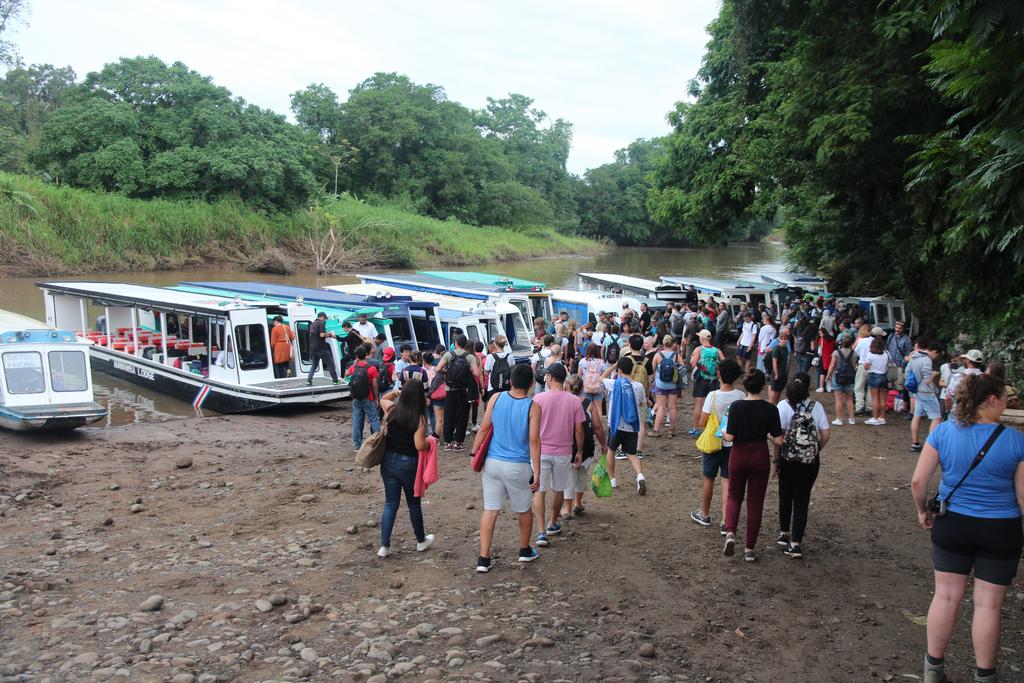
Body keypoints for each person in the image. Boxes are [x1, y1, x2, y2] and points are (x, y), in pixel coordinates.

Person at [910, 373, 1024, 683]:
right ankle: (985, 676)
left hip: (953, 524)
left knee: (945, 597)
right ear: (991, 400)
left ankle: (933, 669)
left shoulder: (944, 432)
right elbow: (1023, 496)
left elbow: (919, 481)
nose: (1007, 404)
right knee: (988, 604)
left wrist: (923, 511)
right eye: (1004, 398)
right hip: (1001, 529)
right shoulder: (1016, 441)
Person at [474, 363, 542, 572]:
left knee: (491, 509)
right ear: (531, 384)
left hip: (492, 463)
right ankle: (524, 550)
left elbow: (484, 428)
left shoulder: (495, 398)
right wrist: (537, 471)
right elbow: (533, 442)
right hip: (517, 465)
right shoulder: (533, 407)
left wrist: (474, 452)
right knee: (523, 509)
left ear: (510, 380)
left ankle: (484, 558)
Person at [722, 368, 784, 562]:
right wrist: (765, 434)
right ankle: (749, 548)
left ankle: (731, 532)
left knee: (734, 495)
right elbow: (779, 440)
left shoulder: (737, 406)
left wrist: (723, 431)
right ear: (763, 387)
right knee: (755, 502)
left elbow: (730, 436)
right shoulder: (770, 409)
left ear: (745, 385)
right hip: (759, 455)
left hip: (739, 454)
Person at [375, 378, 435, 558]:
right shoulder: (419, 418)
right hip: (409, 463)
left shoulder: (392, 410)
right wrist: (429, 442)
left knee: (390, 504)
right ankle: (420, 541)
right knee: (413, 504)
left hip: (388, 461)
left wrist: (397, 392)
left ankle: (384, 547)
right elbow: (419, 445)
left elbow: (384, 399)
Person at [774, 373, 831, 558]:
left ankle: (784, 533)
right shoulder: (817, 407)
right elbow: (826, 435)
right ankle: (796, 543)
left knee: (785, 494)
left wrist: (776, 460)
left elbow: (778, 438)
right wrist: (814, 450)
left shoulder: (783, 406)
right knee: (802, 499)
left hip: (788, 459)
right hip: (809, 461)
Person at [531, 362, 585, 548]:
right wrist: (579, 450)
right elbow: (579, 430)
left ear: (550, 377)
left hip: (541, 450)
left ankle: (540, 532)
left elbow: (532, 427)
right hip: (564, 450)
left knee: (540, 489)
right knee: (558, 489)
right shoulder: (574, 401)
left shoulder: (538, 398)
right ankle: (553, 522)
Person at [691, 359, 745, 534]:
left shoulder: (713, 396)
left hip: (714, 442)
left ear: (719, 374)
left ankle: (705, 514)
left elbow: (702, 421)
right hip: (733, 444)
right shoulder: (741, 396)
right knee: (727, 481)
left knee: (708, 478)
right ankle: (725, 520)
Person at [603, 357, 649, 494]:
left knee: (611, 450)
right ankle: (640, 476)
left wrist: (613, 367)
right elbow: (642, 403)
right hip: (631, 425)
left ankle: (612, 480)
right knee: (632, 453)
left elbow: (601, 377)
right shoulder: (639, 386)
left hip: (616, 425)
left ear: (620, 370)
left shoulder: (614, 384)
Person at [562, 374, 606, 518]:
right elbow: (598, 427)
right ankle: (578, 503)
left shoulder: (564, 402)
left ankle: (567, 508)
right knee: (582, 474)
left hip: (568, 445)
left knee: (569, 476)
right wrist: (603, 444)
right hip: (587, 447)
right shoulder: (588, 403)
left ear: (567, 386)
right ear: (581, 388)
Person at [435, 334, 481, 451]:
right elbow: (476, 374)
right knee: (462, 416)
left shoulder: (449, 354)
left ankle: (447, 442)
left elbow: (437, 369)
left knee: (449, 415)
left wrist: (448, 372)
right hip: (464, 390)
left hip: (450, 390)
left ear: (455, 343)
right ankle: (458, 443)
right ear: (465, 344)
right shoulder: (470, 357)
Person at [909, 340, 943, 452]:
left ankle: (915, 443)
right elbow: (927, 380)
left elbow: (908, 371)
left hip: (916, 391)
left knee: (917, 415)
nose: (935, 358)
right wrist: (934, 375)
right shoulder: (926, 360)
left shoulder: (914, 357)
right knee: (936, 417)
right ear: (934, 351)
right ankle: (932, 445)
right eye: (936, 355)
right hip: (926, 392)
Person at [689, 329, 725, 436]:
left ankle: (696, 429)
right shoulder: (717, 350)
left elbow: (692, 363)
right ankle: (711, 428)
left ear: (701, 338)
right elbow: (724, 362)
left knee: (698, 405)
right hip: (713, 380)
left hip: (701, 379)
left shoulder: (699, 349)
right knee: (712, 405)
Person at [346, 346, 380, 451]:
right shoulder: (371, 369)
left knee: (357, 420)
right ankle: (377, 442)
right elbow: (375, 385)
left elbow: (346, 374)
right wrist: (376, 398)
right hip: (368, 398)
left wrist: (354, 363)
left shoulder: (354, 367)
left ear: (356, 356)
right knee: (374, 420)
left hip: (356, 398)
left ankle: (357, 445)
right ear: (366, 355)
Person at [650, 335, 681, 438]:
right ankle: (671, 430)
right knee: (672, 407)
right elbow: (683, 368)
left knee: (661, 407)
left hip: (660, 384)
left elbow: (652, 370)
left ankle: (656, 430)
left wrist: (651, 381)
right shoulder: (676, 356)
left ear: (663, 344)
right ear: (672, 344)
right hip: (673, 384)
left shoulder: (658, 355)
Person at [826, 334, 858, 425]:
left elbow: (832, 366)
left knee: (838, 399)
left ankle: (839, 419)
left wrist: (828, 376)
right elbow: (854, 365)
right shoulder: (854, 353)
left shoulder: (836, 353)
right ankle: (852, 418)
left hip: (838, 377)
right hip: (850, 377)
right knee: (849, 398)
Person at [946, 349, 985, 416]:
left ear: (968, 361)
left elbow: (948, 397)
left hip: (959, 413)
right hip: (979, 414)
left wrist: (948, 410)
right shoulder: (986, 378)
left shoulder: (957, 377)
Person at [863, 336, 891, 426]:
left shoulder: (871, 355)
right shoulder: (886, 353)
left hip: (874, 376)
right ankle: (882, 417)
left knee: (875, 398)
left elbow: (866, 366)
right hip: (884, 376)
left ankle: (875, 417)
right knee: (883, 399)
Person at [306, 312, 339, 385]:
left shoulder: (313, 323)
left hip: (312, 348)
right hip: (321, 348)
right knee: (330, 364)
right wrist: (329, 333)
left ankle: (308, 380)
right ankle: (335, 380)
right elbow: (321, 335)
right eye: (325, 318)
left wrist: (327, 336)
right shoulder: (322, 323)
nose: (325, 320)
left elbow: (317, 336)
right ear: (323, 317)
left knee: (314, 365)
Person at [483, 335, 513, 401]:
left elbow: (486, 373)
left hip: (492, 387)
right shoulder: (510, 356)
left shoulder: (490, 357)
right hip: (506, 386)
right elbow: (511, 371)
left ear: (495, 344)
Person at [853, 324, 875, 415]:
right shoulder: (874, 340)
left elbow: (855, 352)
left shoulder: (861, 341)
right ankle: (869, 408)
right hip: (873, 366)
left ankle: (859, 406)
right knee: (870, 388)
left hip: (862, 364)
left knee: (859, 387)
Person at [886, 321, 914, 392]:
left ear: (903, 329)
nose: (897, 329)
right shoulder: (891, 336)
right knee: (888, 386)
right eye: (896, 327)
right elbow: (887, 348)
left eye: (900, 328)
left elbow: (909, 354)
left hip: (899, 367)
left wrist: (902, 365)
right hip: (889, 366)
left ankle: (898, 402)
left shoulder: (907, 340)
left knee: (899, 387)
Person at [768, 326, 792, 405]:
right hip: (777, 371)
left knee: (779, 390)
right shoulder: (776, 348)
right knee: (774, 389)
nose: (784, 341)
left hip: (784, 371)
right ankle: (771, 403)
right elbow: (774, 362)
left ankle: (775, 403)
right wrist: (776, 373)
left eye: (785, 339)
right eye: (783, 339)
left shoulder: (785, 347)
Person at [816, 328, 835, 393]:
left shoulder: (821, 339)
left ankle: (821, 387)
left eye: (820, 333)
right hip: (831, 357)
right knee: (830, 372)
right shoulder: (832, 339)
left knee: (822, 373)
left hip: (823, 357)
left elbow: (819, 349)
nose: (820, 335)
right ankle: (829, 386)